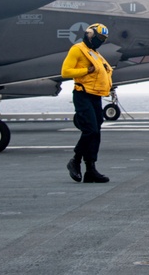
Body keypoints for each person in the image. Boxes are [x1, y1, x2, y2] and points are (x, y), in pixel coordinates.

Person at [61, 23, 114, 184]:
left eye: (103, 40)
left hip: (95, 96)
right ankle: (75, 161)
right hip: (82, 94)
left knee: (96, 132)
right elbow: (65, 71)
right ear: (89, 35)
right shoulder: (77, 49)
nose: (100, 42)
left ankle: (90, 170)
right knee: (90, 130)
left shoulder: (95, 54)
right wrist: (86, 71)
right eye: (99, 38)